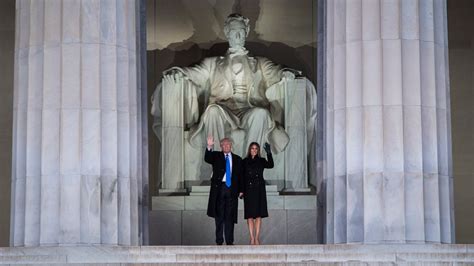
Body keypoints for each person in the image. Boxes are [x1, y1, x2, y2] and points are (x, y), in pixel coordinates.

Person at [159, 13, 301, 154]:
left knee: (261, 114)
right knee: (212, 111)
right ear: (227, 33)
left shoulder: (260, 63)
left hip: (249, 109)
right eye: (234, 32)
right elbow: (194, 73)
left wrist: (285, 73)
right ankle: (219, 166)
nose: (238, 37)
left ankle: (249, 166)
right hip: (223, 109)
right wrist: (178, 73)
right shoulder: (212, 63)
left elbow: (276, 71)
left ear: (246, 32)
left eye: (241, 32)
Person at [204, 136, 244, 245]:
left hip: (232, 189)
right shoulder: (216, 156)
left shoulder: (238, 159)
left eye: (228, 144)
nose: (226, 146)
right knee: (219, 216)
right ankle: (219, 241)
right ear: (221, 146)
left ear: (231, 146)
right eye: (224, 145)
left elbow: (240, 176)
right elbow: (207, 158)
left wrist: (241, 190)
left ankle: (230, 241)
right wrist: (209, 146)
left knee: (230, 217)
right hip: (219, 189)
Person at [242, 142, 273, 245]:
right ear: (249, 150)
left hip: (259, 189)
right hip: (249, 190)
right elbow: (241, 177)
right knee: (250, 216)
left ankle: (257, 238)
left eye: (256, 148)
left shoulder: (261, 160)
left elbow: (271, 165)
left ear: (258, 150)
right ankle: (251, 238)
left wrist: (269, 152)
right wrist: (241, 190)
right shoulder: (244, 161)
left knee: (259, 215)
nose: (254, 150)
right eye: (252, 148)